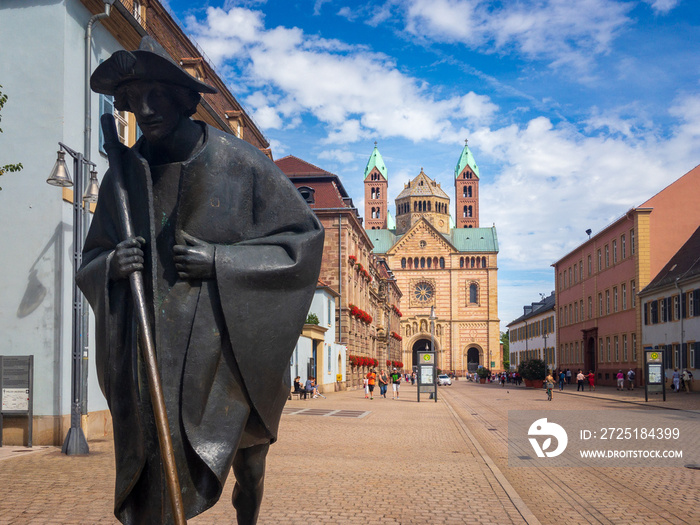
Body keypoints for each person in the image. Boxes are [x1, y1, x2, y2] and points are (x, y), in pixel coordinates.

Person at [79, 37, 324, 525]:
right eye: (133, 99)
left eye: (156, 96)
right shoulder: (123, 177)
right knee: (153, 463)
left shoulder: (243, 163)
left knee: (250, 463)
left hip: (229, 349)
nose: (144, 110)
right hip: (154, 346)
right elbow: (92, 258)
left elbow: (302, 243)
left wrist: (220, 261)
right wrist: (113, 263)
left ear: (183, 98)